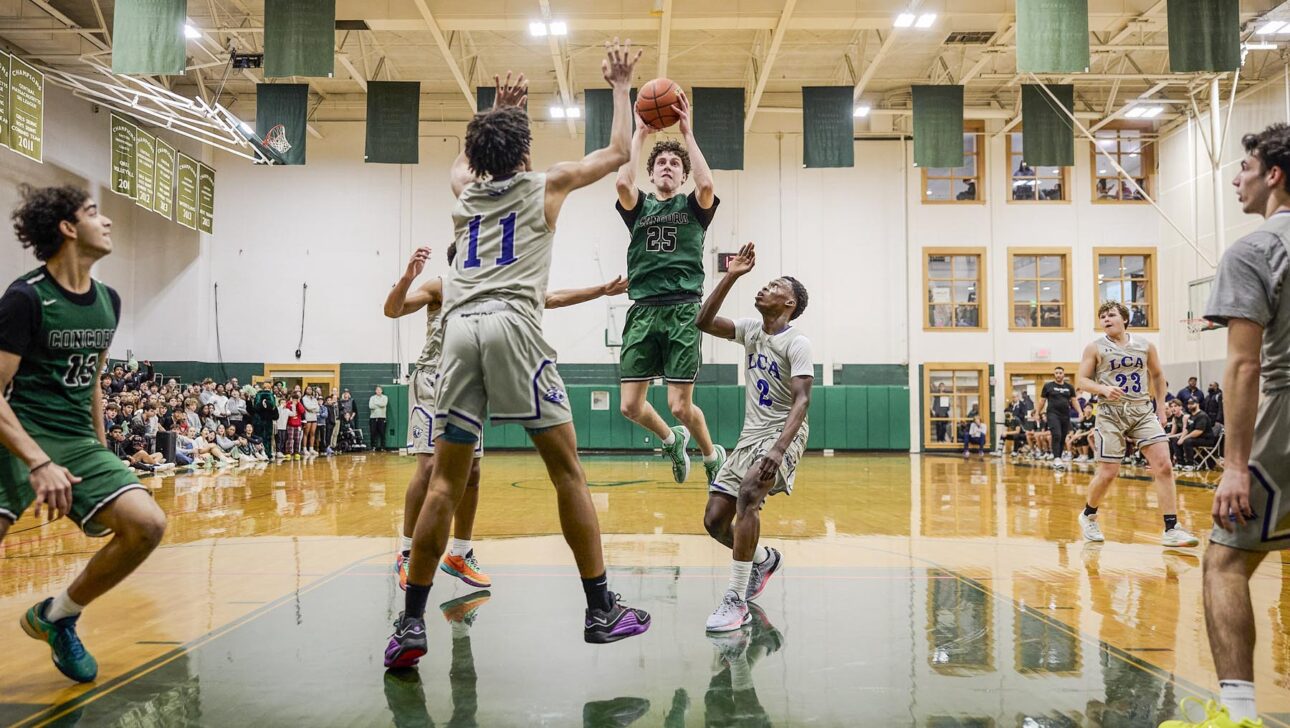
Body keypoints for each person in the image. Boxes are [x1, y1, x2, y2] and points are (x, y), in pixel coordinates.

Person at [385, 46, 652, 670]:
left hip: (457, 333)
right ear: (525, 154)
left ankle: (410, 623)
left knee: (444, 483)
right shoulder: (545, 184)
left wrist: (494, 111)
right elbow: (616, 154)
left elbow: (461, 163)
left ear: (477, 158)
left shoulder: (463, 196)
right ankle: (600, 607)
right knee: (567, 472)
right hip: (514, 328)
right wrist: (620, 87)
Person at [384, 243, 630, 592]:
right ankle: (408, 552)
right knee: (429, 467)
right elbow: (392, 310)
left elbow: (553, 298)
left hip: (469, 383)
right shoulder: (442, 284)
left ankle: (459, 553)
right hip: (433, 379)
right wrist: (407, 278)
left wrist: (601, 290)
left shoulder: (499, 289)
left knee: (471, 470)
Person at [0, 184, 167, 683]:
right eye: (94, 213)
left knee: (147, 524)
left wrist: (101, 454)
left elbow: (93, 383)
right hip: (16, 434)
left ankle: (59, 616)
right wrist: (38, 462)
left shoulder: (108, 301)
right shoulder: (25, 299)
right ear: (69, 229)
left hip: (75, 439)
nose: (108, 221)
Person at [1158, 123, 1290, 728]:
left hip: (1283, 419)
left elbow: (1243, 364)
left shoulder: (1255, 249)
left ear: (1273, 175)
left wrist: (1235, 464)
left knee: (1225, 562)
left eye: (1244, 166)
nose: (1236, 177)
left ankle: (1237, 714)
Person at [613, 83, 727, 487]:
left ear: (681, 175)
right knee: (630, 406)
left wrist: (687, 136)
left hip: (681, 309)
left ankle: (713, 456)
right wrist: (641, 134)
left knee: (680, 405)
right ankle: (671, 441)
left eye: (673, 164)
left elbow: (707, 186)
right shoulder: (639, 206)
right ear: (651, 170)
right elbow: (623, 185)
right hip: (643, 309)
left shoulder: (694, 208)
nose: (666, 166)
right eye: (660, 162)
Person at [694, 242, 811, 632]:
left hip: (783, 432)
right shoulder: (750, 329)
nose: (764, 287)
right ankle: (763, 559)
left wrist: (779, 449)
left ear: (789, 302)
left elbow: (802, 400)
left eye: (774, 285)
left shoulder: (797, 343)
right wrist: (731, 275)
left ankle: (735, 600)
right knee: (714, 522)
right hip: (750, 436)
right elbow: (704, 321)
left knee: (748, 496)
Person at [1074, 301, 1199, 549]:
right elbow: (1081, 380)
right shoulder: (1095, 348)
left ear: (1124, 319)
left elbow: (1158, 376)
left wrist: (1161, 408)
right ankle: (1088, 515)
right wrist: (1102, 388)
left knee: (1164, 465)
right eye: (1102, 317)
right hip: (1110, 413)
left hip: (1142, 411)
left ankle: (1172, 527)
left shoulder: (1145, 345)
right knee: (1109, 473)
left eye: (1110, 315)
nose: (1106, 319)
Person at [1038, 366, 1076, 469]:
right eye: (1056, 373)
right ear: (1054, 374)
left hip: (1065, 415)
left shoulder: (1069, 387)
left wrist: (1080, 412)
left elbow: (1074, 401)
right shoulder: (1048, 386)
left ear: (1063, 374)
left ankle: (1058, 458)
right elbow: (1042, 401)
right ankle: (1057, 458)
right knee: (1056, 435)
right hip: (1052, 414)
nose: (1058, 374)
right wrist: (1037, 412)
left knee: (1062, 437)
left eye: (1060, 373)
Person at [1178, 398, 1217, 471]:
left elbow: (1198, 431)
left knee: (1187, 441)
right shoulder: (1191, 416)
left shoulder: (1202, 415)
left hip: (1206, 440)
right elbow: (1186, 429)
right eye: (1188, 404)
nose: (1190, 406)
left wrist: (1184, 438)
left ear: (1197, 404)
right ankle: (1180, 463)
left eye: (1192, 403)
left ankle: (1191, 464)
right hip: (1196, 439)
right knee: (1175, 440)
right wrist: (1181, 438)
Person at [250, 381, 277, 459]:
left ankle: (264, 452)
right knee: (265, 437)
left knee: (262, 437)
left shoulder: (258, 395)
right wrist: (265, 405)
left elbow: (256, 407)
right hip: (263, 420)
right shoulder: (270, 395)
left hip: (262, 419)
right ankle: (265, 452)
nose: (267, 389)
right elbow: (272, 406)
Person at [369, 385, 388, 451]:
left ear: (381, 391)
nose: (378, 391)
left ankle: (383, 447)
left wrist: (376, 403)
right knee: (373, 433)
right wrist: (379, 404)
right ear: (375, 391)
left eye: (379, 390)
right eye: (377, 390)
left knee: (382, 433)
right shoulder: (372, 398)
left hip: (382, 418)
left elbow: (384, 404)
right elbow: (371, 406)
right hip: (373, 418)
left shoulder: (385, 397)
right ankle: (373, 447)